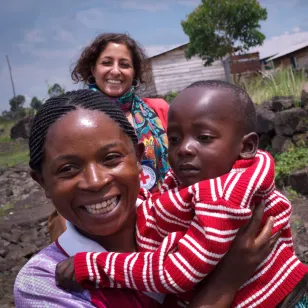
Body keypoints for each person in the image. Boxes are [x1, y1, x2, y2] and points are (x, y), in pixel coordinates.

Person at [14, 90, 278, 308]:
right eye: (67, 169)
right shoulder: (43, 282)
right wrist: (225, 283)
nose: (95, 182)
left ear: (139, 158)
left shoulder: (187, 212)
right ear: (42, 182)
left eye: (111, 158)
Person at [48, 33, 170, 242]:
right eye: (106, 62)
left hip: (166, 218)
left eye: (124, 64)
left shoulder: (158, 110)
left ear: (134, 72)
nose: (116, 71)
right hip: (107, 227)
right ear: (92, 70)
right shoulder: (75, 121)